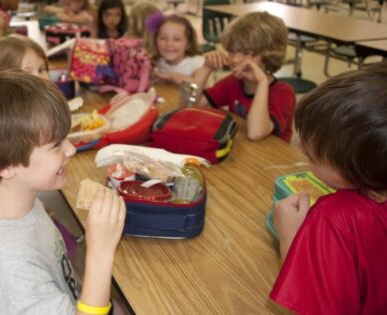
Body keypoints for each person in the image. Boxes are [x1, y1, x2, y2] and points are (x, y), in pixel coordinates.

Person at [0, 71, 126, 314]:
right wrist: (100, 251)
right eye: (56, 145)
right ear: (5, 166)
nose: (71, 149)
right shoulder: (13, 265)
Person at [271, 63, 387, 314]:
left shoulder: (332, 218)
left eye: (313, 156)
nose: (300, 146)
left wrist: (290, 239)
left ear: (360, 169)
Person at [195, 12, 295, 142]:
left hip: (273, 158)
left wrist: (262, 82)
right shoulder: (233, 82)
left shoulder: (283, 93)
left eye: (246, 53)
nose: (235, 59)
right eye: (232, 51)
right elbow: (191, 106)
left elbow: (255, 133)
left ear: (268, 56)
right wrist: (206, 68)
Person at [147, 13, 205, 86]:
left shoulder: (198, 63)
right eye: (163, 38)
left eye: (177, 39)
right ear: (155, 41)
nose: (169, 44)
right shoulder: (157, 63)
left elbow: (201, 86)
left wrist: (172, 77)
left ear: (188, 44)